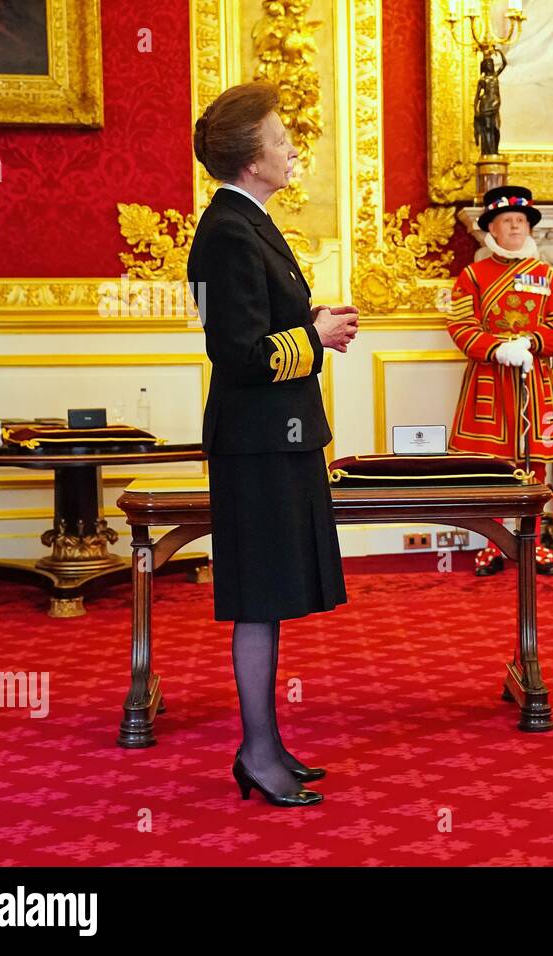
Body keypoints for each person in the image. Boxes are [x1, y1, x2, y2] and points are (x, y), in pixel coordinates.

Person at [188, 81, 358, 807]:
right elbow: (234, 352)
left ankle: (268, 741)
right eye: (281, 135)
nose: (292, 145)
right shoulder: (226, 230)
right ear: (249, 157)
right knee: (258, 597)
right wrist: (313, 337)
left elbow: (258, 321)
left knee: (274, 596)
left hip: (276, 439)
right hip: (256, 444)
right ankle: (256, 752)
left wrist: (310, 317)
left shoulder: (247, 220)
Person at [447, 185, 553, 576]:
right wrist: (496, 349)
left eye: (521, 221)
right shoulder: (473, 275)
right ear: (493, 230)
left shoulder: (546, 275)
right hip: (490, 383)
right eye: (509, 222)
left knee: (534, 467)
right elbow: (460, 324)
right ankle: (493, 545)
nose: (517, 227)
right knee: (492, 469)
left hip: (533, 385)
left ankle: (531, 544)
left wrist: (534, 341)